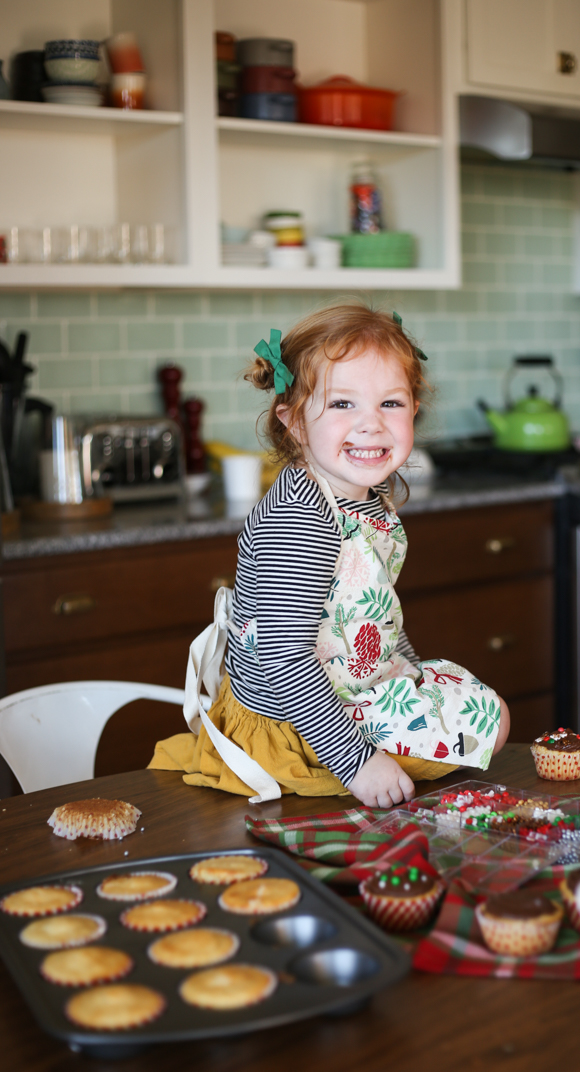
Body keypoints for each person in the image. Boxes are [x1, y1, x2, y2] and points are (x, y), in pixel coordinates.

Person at [150, 303, 510, 808]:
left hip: (350, 688)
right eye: (343, 404)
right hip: (296, 723)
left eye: (391, 403)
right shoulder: (301, 519)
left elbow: (372, 612)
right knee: (488, 724)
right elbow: (283, 659)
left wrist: (409, 673)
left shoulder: (363, 499)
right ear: (294, 421)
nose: (372, 425)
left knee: (479, 707)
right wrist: (359, 762)